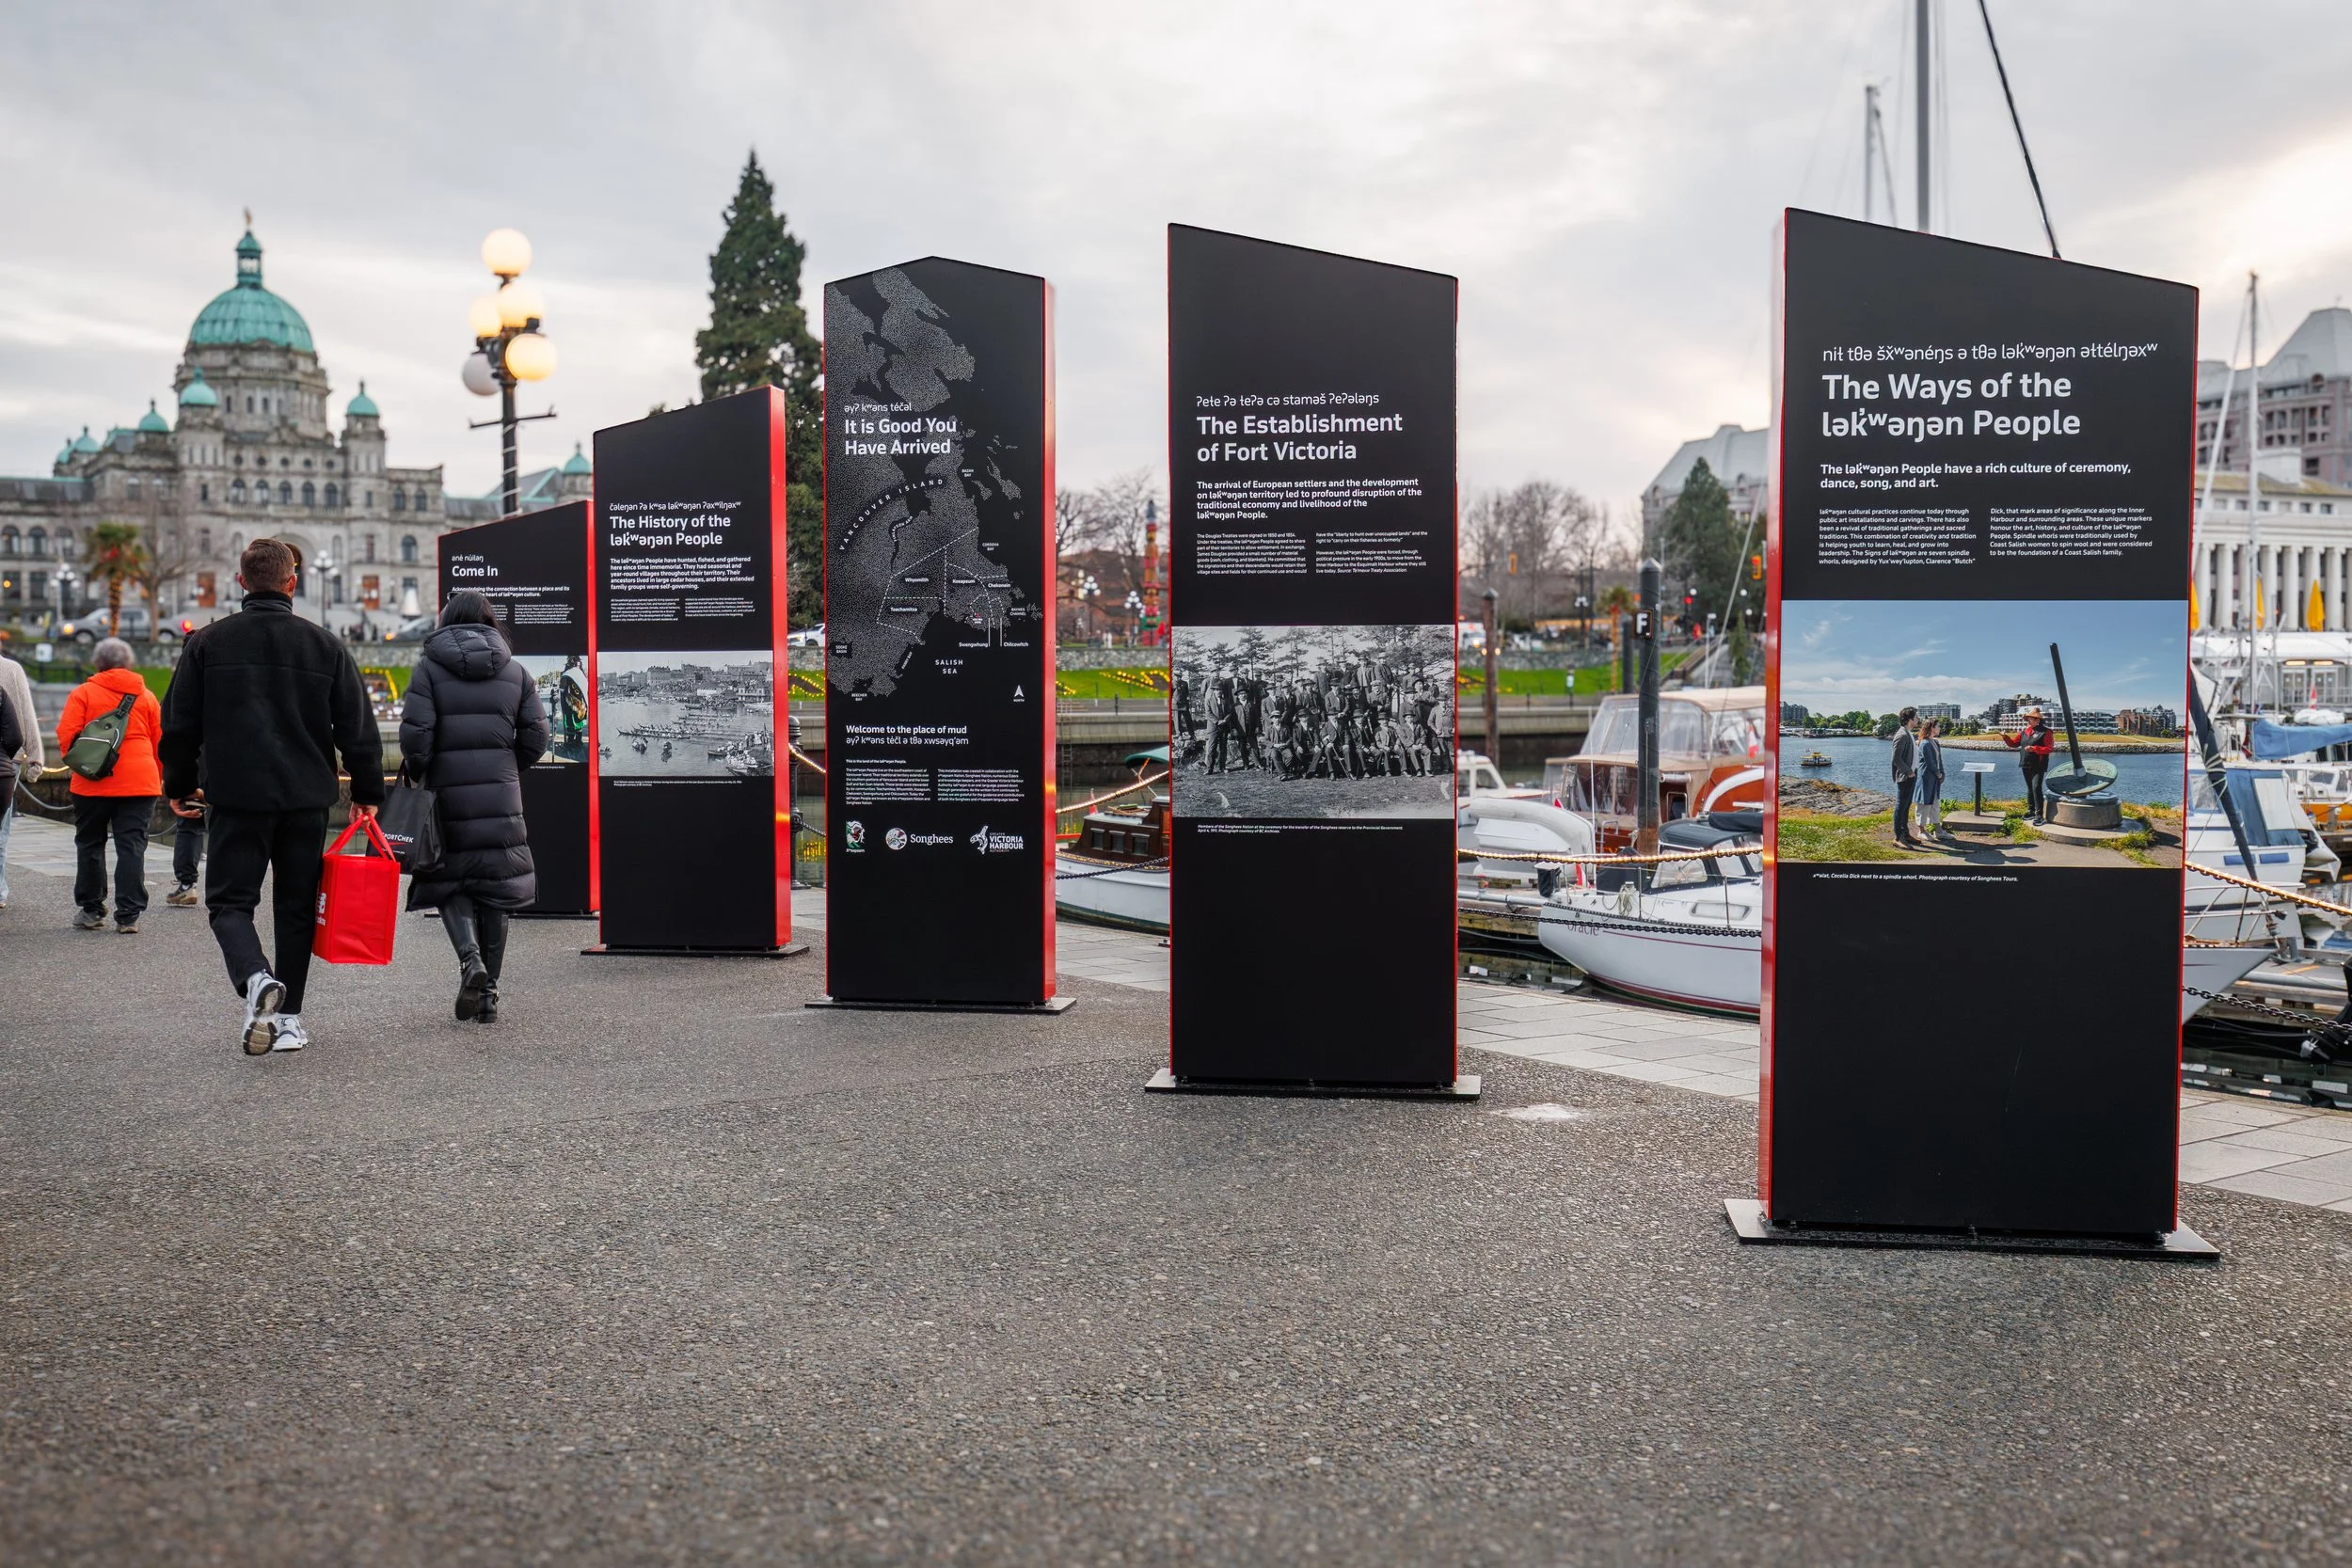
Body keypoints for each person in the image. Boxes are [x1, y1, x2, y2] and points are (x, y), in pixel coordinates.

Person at [160, 538, 385, 1055]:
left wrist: (177, 784)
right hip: (305, 797)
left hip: (237, 795)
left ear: (241, 582)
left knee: (230, 903)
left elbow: (178, 726)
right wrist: (369, 791)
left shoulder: (207, 644)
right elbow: (357, 728)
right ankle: (289, 1020)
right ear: (292, 583)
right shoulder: (325, 645)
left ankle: (256, 978)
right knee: (296, 905)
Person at [400, 591, 548, 1024]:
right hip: (500, 794)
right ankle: (489, 996)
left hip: (447, 793)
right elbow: (536, 739)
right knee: (496, 885)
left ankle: (470, 961)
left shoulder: (428, 669)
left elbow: (415, 738)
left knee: (450, 880)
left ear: (446, 619)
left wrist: (425, 768)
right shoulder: (516, 672)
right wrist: (504, 767)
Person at [56, 638, 164, 934]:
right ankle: (128, 914)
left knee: (90, 843)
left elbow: (67, 734)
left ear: (98, 663)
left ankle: (92, 909)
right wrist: (158, 773)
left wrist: (84, 764)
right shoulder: (147, 697)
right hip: (140, 782)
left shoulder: (83, 693)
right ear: (128, 664)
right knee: (132, 845)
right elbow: (159, 742)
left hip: (93, 782)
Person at [0, 638, 40, 911]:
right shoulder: (11, 669)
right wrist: (34, 756)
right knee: (1, 829)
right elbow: (25, 714)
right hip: (5, 762)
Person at [2002, 705, 2056, 824]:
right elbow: (2014, 744)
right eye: (2028, 719)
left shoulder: (2046, 732)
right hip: (2025, 763)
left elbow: (2049, 748)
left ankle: (2039, 815)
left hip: (2038, 764)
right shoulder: (2024, 732)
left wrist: (2034, 748)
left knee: (2036, 788)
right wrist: (2005, 737)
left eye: (2031, 719)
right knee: (2030, 788)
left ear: (2038, 720)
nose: (2029, 721)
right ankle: (2031, 811)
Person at [1889, 706, 1921, 848]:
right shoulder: (1902, 735)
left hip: (1911, 774)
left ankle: (1905, 833)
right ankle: (1898, 837)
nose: (1918, 719)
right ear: (1909, 719)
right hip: (1905, 776)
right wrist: (1908, 772)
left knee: (1906, 805)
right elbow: (1896, 758)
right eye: (1916, 717)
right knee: (1901, 806)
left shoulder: (1908, 733)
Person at [1916, 718, 1947, 837]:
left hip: (1935, 778)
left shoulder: (1935, 742)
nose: (1939, 728)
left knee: (1934, 803)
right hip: (1926, 778)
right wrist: (1939, 774)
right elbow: (1930, 763)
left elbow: (1939, 761)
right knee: (1923, 804)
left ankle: (1938, 831)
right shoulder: (1924, 743)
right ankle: (1921, 831)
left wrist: (1942, 773)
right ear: (1932, 728)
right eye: (1938, 726)